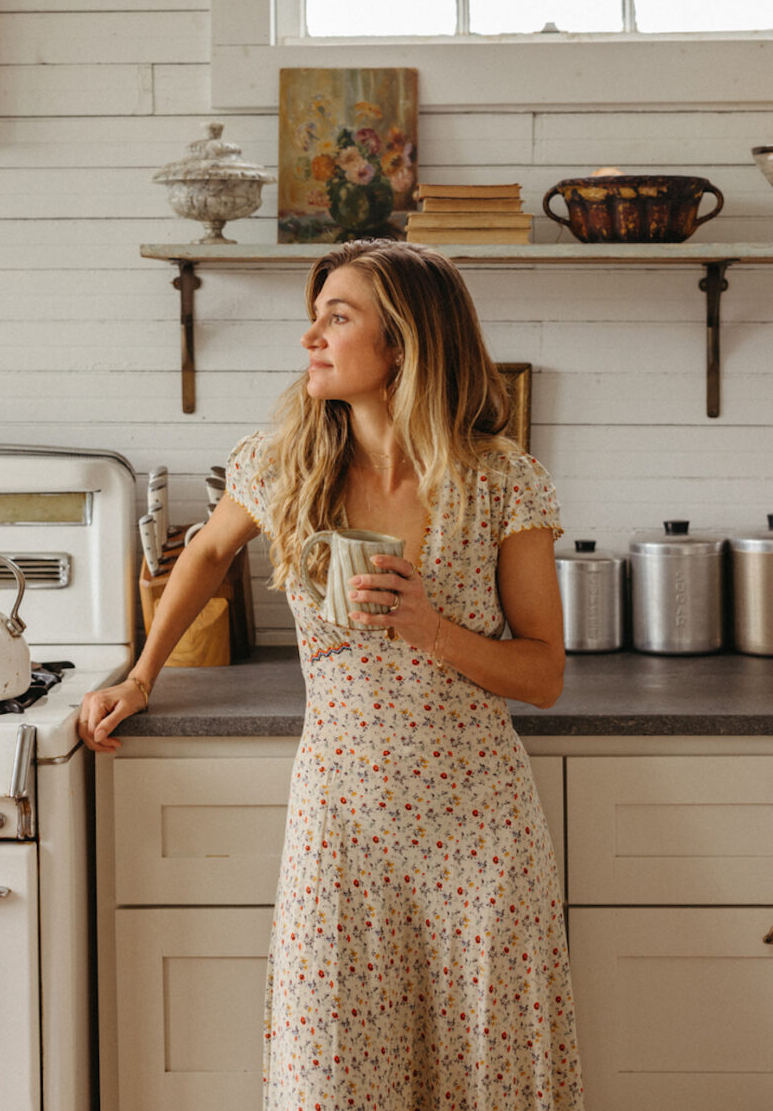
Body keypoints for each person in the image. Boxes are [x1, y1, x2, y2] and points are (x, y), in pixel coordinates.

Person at [79, 239, 584, 1110]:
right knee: (334, 1074)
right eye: (311, 319)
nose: (311, 338)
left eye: (336, 317)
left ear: (404, 344)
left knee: (488, 1073)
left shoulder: (503, 481)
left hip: (480, 829)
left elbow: (542, 674)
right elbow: (203, 553)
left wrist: (432, 628)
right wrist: (140, 674)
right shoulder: (286, 465)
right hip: (341, 822)